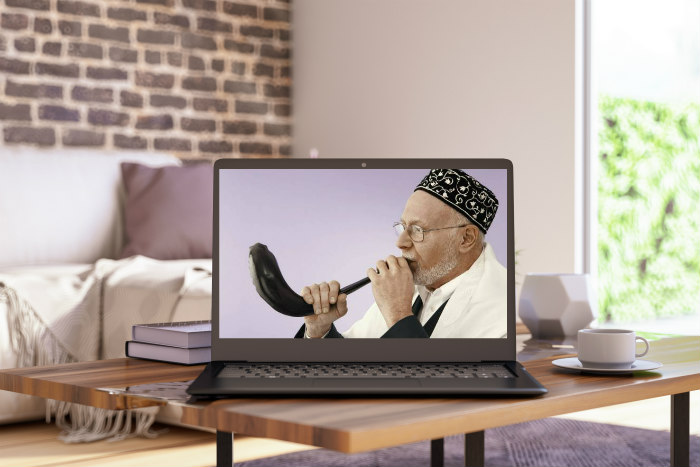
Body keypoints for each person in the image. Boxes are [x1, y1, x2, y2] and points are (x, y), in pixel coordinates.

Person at [294, 169, 507, 339]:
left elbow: (439, 386)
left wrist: (398, 314)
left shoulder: (503, 310)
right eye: (403, 226)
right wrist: (319, 331)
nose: (400, 243)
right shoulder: (411, 285)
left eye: (417, 230)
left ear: (466, 239)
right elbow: (358, 364)